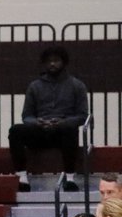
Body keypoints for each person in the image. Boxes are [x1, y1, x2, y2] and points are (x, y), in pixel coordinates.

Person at [8, 46, 89, 192]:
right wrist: (37, 122)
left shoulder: (77, 85)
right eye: (49, 61)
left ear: (64, 62)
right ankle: (22, 177)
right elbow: (27, 116)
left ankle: (70, 179)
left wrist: (63, 122)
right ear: (44, 64)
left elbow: (83, 116)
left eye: (56, 61)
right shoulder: (34, 86)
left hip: (63, 134)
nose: (52, 64)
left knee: (70, 130)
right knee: (15, 130)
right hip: (40, 132)